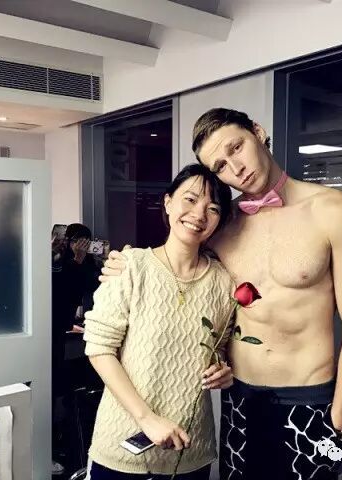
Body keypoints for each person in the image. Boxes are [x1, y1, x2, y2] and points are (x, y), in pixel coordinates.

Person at [101, 108, 342, 480]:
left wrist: (341, 419)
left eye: (236, 148)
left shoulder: (333, 211)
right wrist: (124, 263)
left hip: (309, 396)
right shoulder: (220, 222)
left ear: (258, 133)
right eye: (220, 166)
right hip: (240, 399)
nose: (236, 169)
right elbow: (176, 268)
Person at [83, 164, 235, 479]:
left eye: (213, 208)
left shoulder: (224, 283)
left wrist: (222, 369)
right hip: (122, 448)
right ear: (167, 202)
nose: (199, 214)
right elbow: (99, 349)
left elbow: (219, 348)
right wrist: (147, 419)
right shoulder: (131, 267)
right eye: (190, 200)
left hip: (190, 451)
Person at [51, 223, 100, 474]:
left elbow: (91, 288)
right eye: (76, 241)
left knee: (60, 385)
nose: (81, 246)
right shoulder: (57, 260)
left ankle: (60, 437)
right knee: (50, 385)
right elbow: (58, 290)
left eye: (85, 242)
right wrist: (74, 261)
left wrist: (87, 262)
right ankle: (50, 443)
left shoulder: (88, 262)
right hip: (49, 328)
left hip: (64, 327)